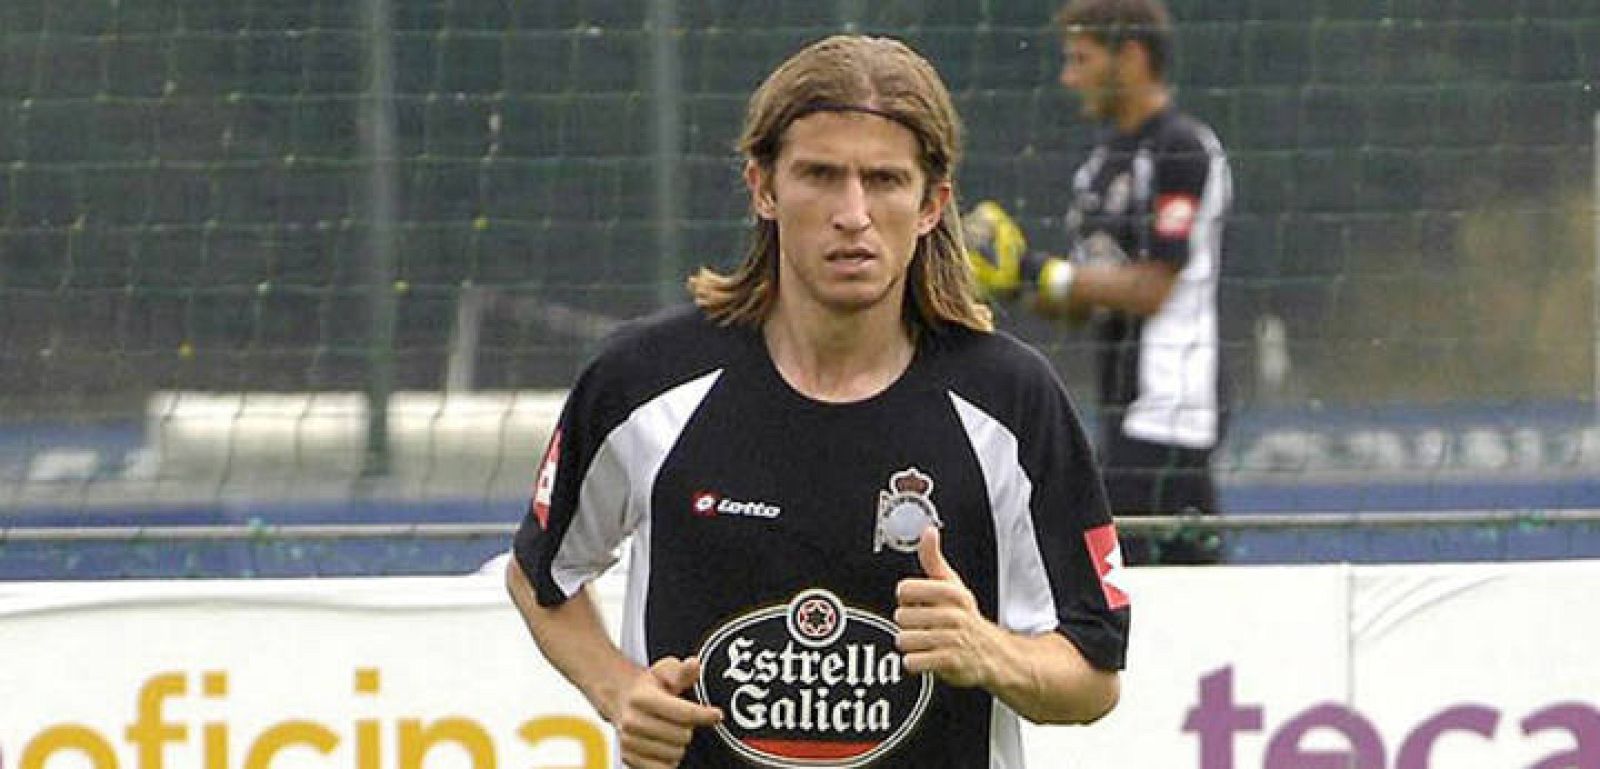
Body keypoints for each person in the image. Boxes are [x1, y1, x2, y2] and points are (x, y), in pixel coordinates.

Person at [504, 34, 1129, 769]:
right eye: (821, 175)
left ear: (933, 203)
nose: (853, 212)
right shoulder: (643, 378)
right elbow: (541, 574)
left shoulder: (1013, 403)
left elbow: (1093, 675)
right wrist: (620, 691)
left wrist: (991, 651)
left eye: (885, 181)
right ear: (764, 187)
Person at [965, 0, 1232, 566]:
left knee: (1175, 593)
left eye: (1081, 59)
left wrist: (1037, 269)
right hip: (1117, 409)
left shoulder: (1181, 148)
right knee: (1130, 589)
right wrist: (1012, 281)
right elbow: (1086, 302)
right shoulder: (1100, 166)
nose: (1069, 77)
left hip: (1171, 410)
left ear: (1131, 58)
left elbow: (1152, 289)